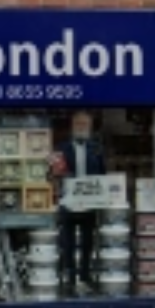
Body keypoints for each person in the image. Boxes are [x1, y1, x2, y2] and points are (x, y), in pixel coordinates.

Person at [51, 110, 106, 288]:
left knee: (87, 242)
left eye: (85, 124)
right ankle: (70, 278)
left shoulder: (97, 148)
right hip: (68, 202)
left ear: (90, 127)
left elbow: (103, 175)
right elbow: (51, 175)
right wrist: (55, 174)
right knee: (68, 242)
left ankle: (85, 275)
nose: (81, 127)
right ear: (72, 126)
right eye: (78, 124)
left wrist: (103, 197)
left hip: (90, 203)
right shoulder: (60, 149)